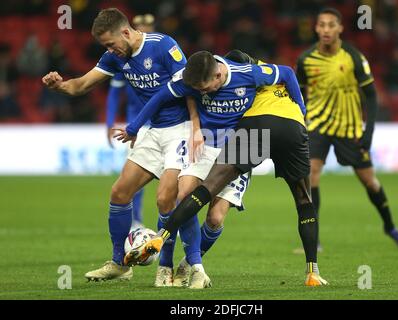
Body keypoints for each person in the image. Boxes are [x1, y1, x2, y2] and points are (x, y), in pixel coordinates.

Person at [116, 50, 328, 286]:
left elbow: (287, 73)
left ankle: (174, 249)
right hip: (256, 136)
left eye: (205, 88)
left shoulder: (248, 74)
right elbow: (162, 96)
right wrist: (134, 128)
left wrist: (302, 109)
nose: (202, 92)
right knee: (302, 200)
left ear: (218, 75)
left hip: (250, 134)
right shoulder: (215, 77)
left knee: (211, 203)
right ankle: (312, 272)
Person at [42, 8, 209, 287]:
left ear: (125, 31)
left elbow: (190, 88)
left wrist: (195, 128)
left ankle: (179, 266)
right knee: (119, 192)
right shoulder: (114, 57)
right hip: (151, 131)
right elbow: (81, 85)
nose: (110, 50)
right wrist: (60, 86)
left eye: (111, 43)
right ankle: (120, 264)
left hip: (179, 130)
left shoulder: (164, 46)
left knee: (165, 198)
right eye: (105, 46)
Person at [294, 7, 398, 252]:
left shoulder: (353, 57)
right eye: (322, 25)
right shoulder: (305, 60)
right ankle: (314, 239)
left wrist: (368, 132)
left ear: (339, 28)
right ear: (316, 28)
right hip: (317, 125)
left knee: (369, 181)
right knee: (312, 175)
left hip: (349, 127)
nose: (326, 30)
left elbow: (370, 94)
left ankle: (390, 226)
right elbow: (300, 94)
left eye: (331, 25)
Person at [105, 14, 156, 228]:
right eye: (141, 26)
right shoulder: (123, 58)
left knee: (176, 175)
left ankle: (179, 220)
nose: (145, 29)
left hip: (165, 123)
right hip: (136, 125)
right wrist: (109, 123)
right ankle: (136, 221)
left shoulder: (161, 52)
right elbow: (114, 93)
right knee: (134, 177)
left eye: (148, 26)